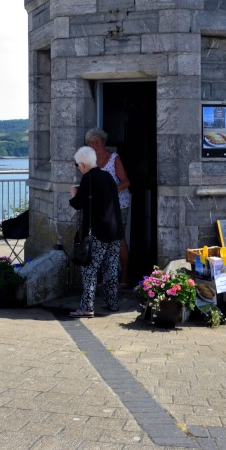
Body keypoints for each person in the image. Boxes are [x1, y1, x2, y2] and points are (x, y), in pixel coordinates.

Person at [68, 145, 124, 317]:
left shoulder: (88, 179)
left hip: (97, 232)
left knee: (90, 269)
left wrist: (73, 194)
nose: (79, 169)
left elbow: (78, 204)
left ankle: (87, 307)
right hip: (115, 230)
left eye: (78, 166)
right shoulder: (107, 176)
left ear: (83, 165)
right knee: (111, 267)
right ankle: (112, 302)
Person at [85, 128, 131, 286]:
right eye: (91, 142)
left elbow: (126, 182)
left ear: (103, 142)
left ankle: (124, 278)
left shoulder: (114, 158)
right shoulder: (90, 161)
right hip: (101, 207)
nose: (94, 144)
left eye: (97, 141)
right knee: (100, 241)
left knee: (119, 240)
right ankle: (105, 280)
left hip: (119, 205)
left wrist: (110, 191)